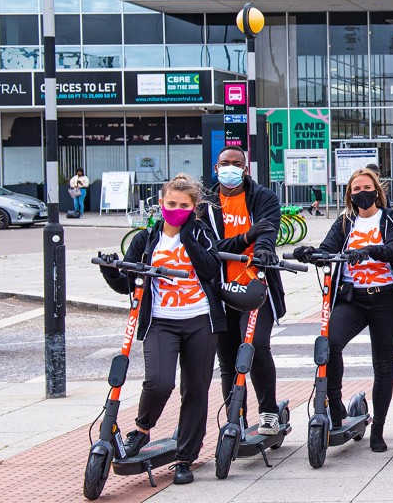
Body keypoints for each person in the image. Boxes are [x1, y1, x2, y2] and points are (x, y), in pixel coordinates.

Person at [99, 174, 224, 485]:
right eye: (171, 204)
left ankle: (185, 458)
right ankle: (142, 429)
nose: (176, 209)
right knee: (159, 381)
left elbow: (210, 271)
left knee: (195, 390)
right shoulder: (145, 240)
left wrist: (188, 239)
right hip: (161, 321)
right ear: (161, 204)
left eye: (183, 205)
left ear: (194, 208)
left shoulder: (203, 235)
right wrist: (109, 269)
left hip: (200, 321)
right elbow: (128, 283)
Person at [293, 168, 393, 453]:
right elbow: (327, 250)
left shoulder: (390, 218)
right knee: (329, 344)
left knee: (382, 366)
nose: (362, 193)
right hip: (352, 300)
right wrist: (310, 253)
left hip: (386, 299)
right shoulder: (346, 221)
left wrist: (370, 250)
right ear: (349, 194)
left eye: (366, 187)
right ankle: (336, 408)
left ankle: (379, 429)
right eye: (355, 189)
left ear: (377, 190)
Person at [205, 147, 284, 437]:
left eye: (236, 164)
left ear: (245, 168)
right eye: (225, 163)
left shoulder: (263, 197)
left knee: (257, 348)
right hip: (219, 289)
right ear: (216, 168)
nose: (230, 168)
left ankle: (269, 412)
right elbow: (208, 249)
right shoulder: (206, 203)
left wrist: (261, 247)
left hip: (254, 286)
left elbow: (267, 230)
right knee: (227, 360)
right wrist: (244, 239)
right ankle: (235, 417)